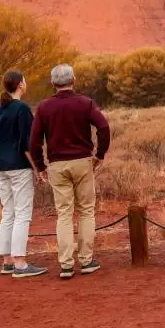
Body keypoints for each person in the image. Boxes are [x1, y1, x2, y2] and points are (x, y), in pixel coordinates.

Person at [30, 63, 111, 279]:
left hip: (57, 165)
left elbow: (34, 140)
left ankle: (66, 264)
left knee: (64, 214)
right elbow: (103, 127)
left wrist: (40, 166)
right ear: (73, 80)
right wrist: (100, 155)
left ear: (53, 83)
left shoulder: (44, 107)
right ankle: (86, 260)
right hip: (83, 162)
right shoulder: (85, 103)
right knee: (86, 211)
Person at [0, 70, 47, 279]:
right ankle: (20, 263)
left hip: (1, 166)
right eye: (25, 80)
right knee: (22, 214)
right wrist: (37, 168)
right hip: (19, 167)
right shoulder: (21, 109)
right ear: (20, 84)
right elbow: (27, 144)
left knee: (8, 212)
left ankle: (7, 261)